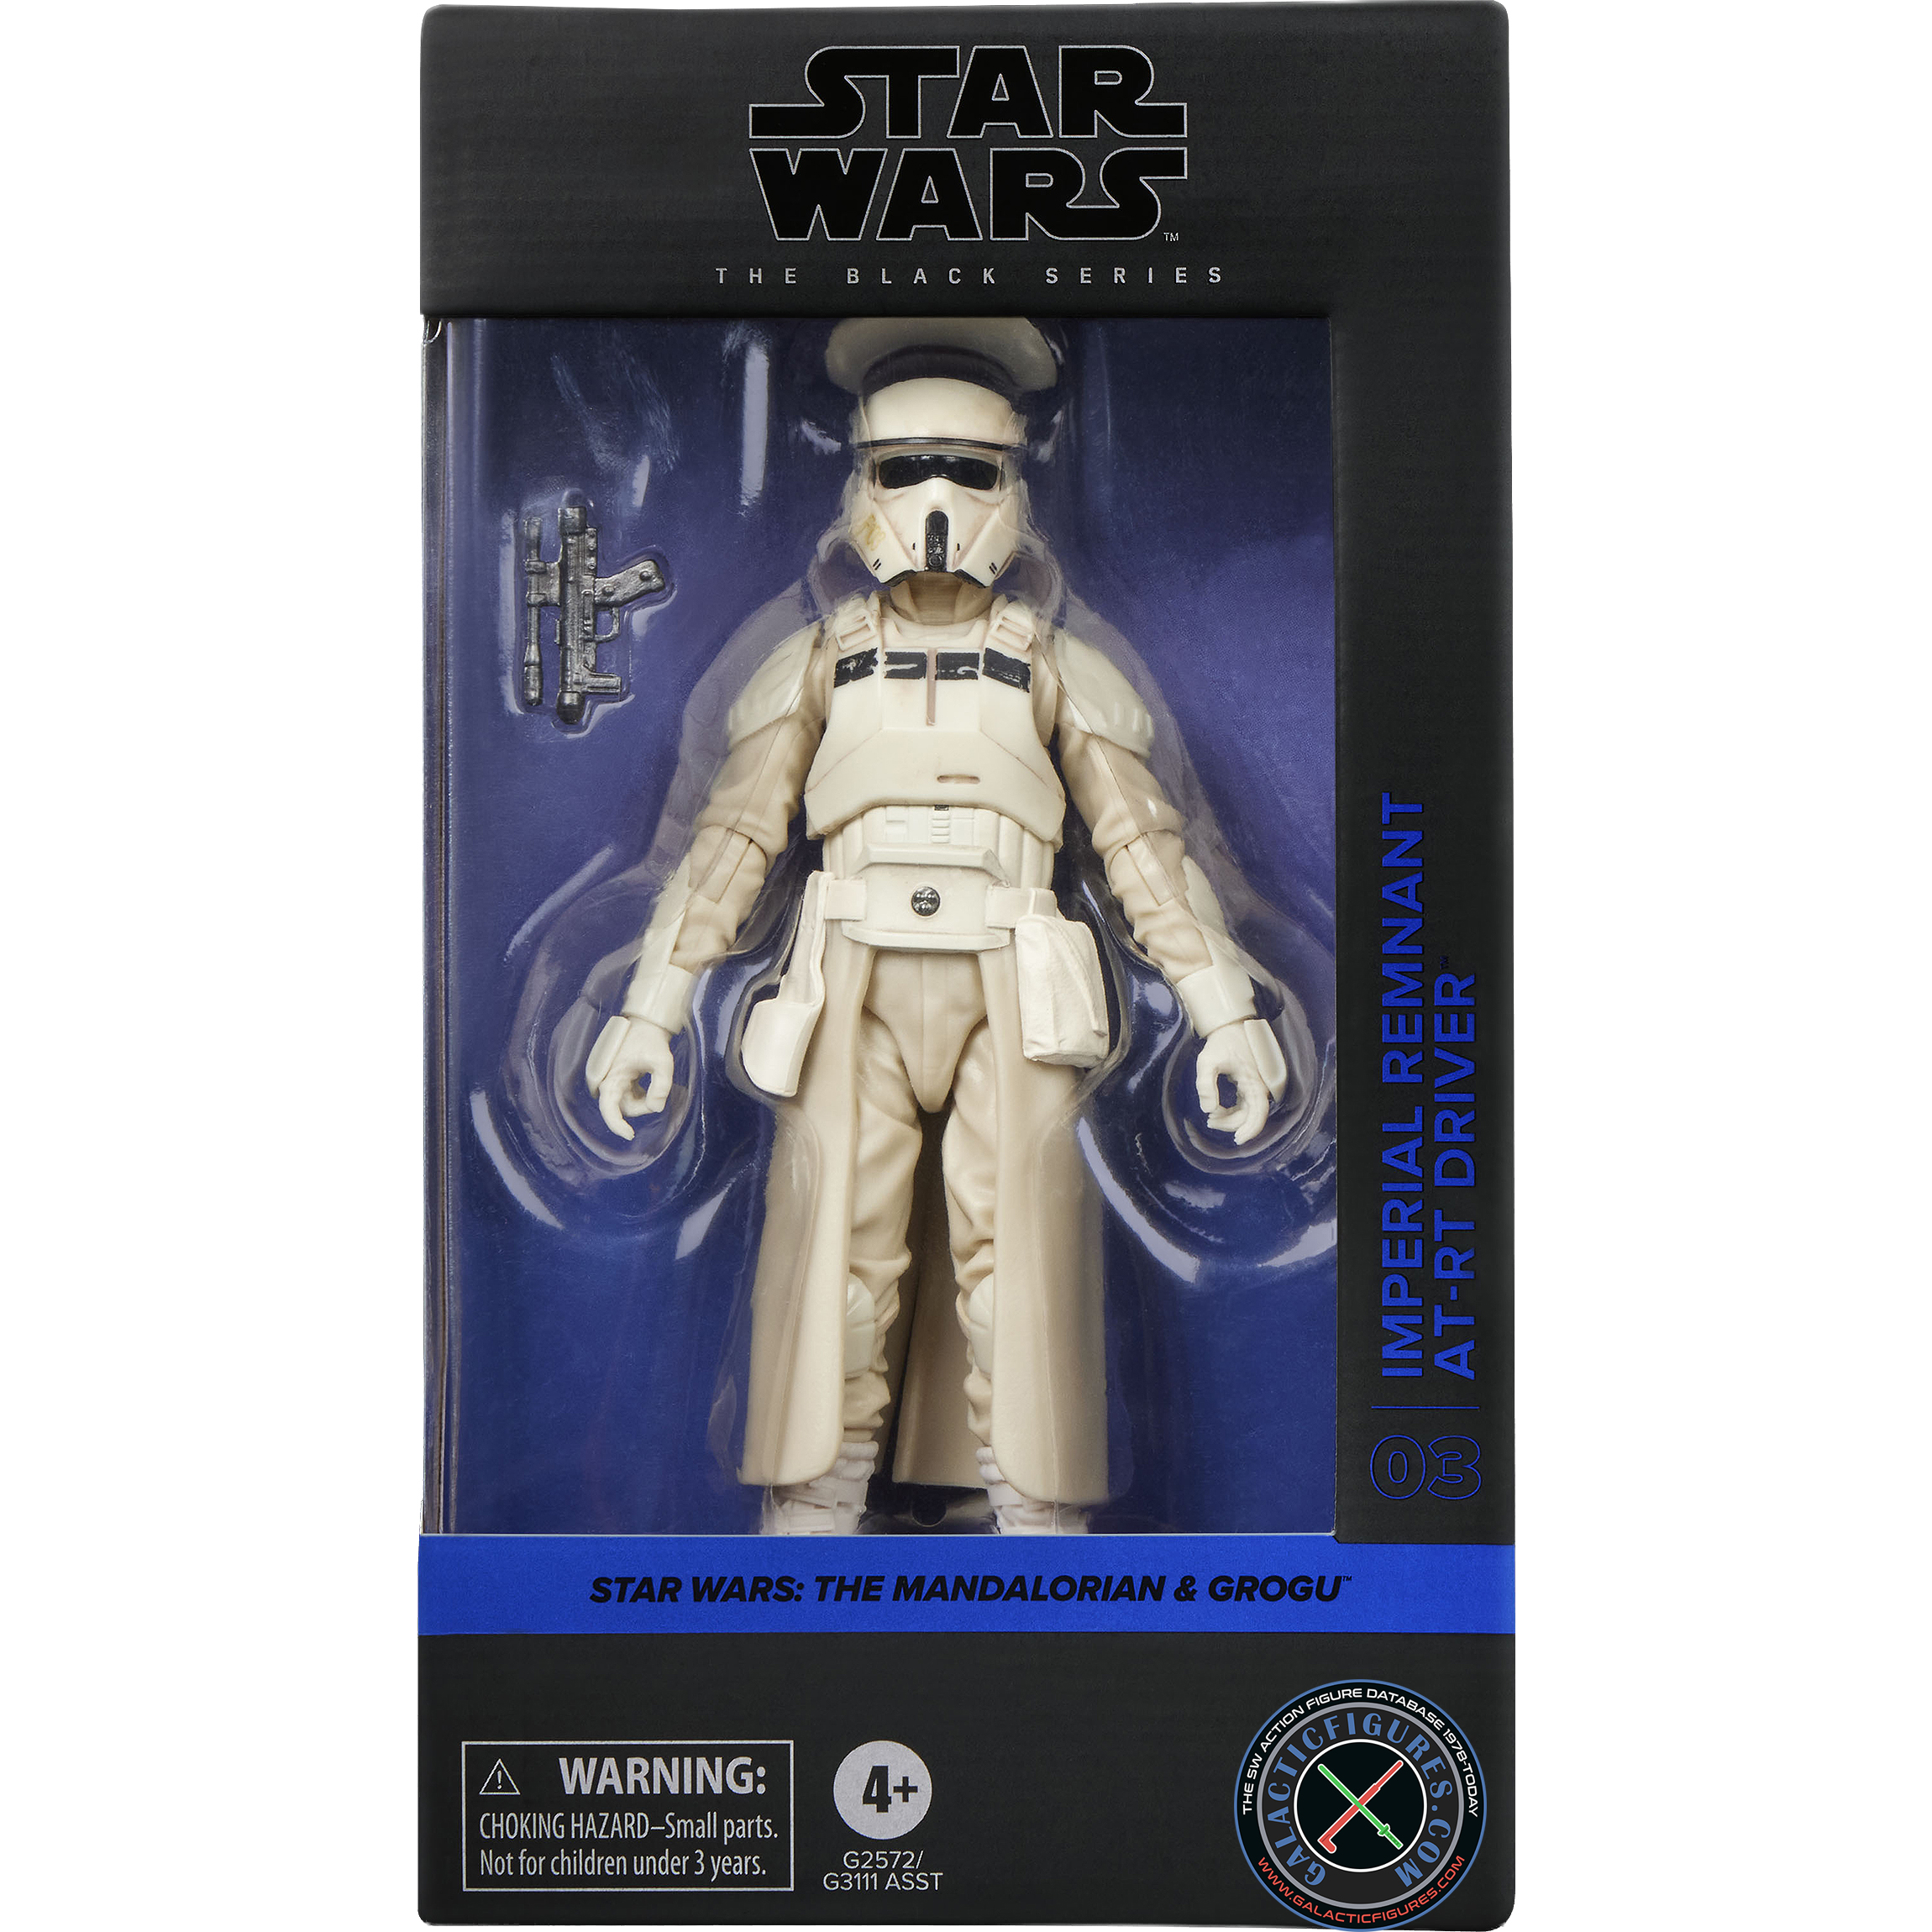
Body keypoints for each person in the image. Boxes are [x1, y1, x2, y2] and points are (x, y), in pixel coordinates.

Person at [587, 318, 1289, 1534]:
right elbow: (731, 845)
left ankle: (1038, 1545)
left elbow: (1146, 852)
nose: (937, 500)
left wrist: (1225, 1008)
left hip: (1012, 975)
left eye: (968, 469)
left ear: (1013, 482)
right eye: (907, 467)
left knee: (1024, 1278)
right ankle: (812, 1530)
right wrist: (651, 1008)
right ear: (862, 477)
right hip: (848, 975)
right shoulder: (822, 658)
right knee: (832, 1275)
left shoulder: (1048, 661)